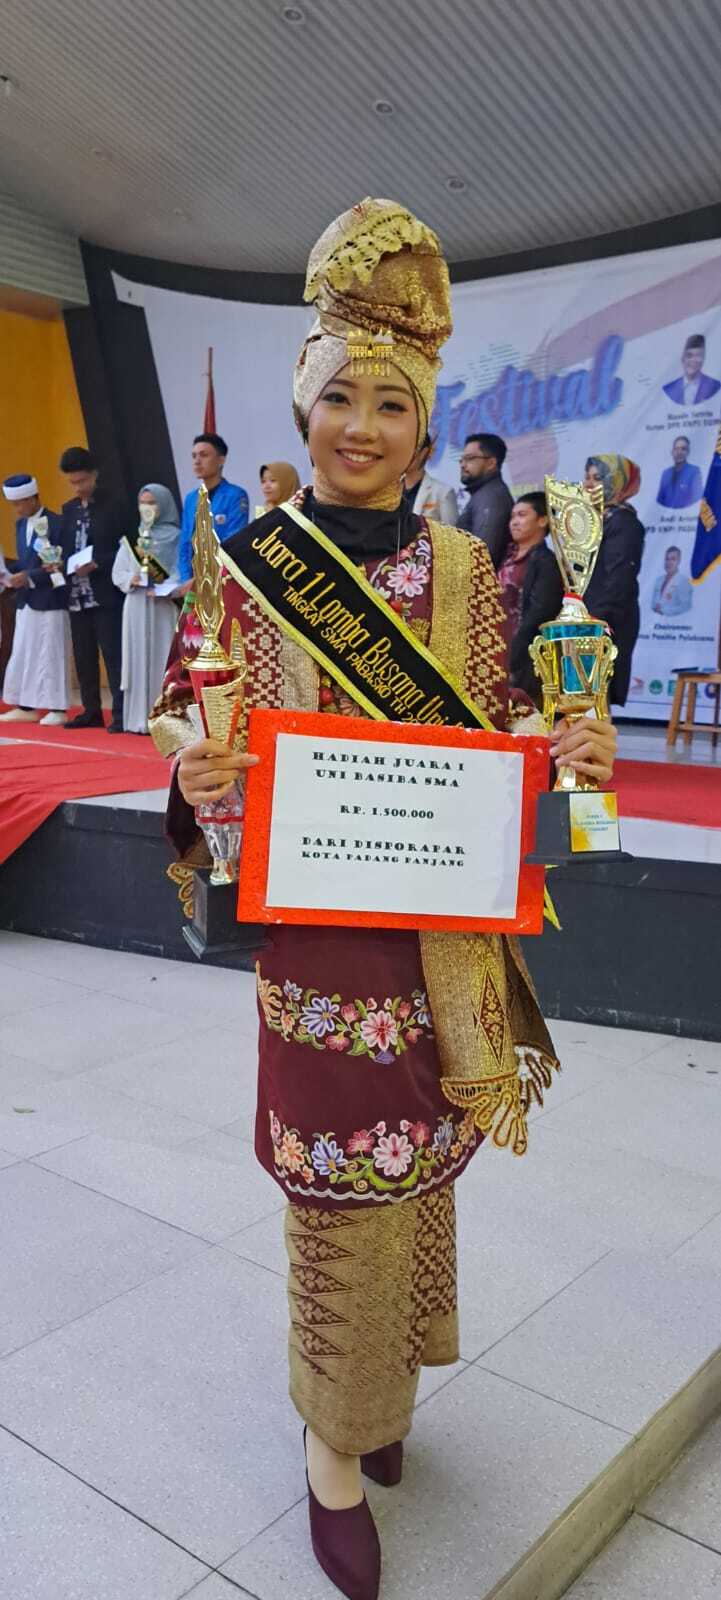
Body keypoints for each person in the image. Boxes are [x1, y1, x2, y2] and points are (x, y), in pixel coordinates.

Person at [150, 197, 617, 1600]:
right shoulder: (244, 571)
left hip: (437, 942)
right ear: (305, 406)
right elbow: (183, 716)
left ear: (426, 430)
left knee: (416, 1170)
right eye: (340, 397)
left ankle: (384, 1391)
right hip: (316, 948)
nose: (361, 426)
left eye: (392, 404)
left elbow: (502, 749)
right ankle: (334, 1449)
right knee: (337, 1182)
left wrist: (569, 763)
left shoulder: (470, 572)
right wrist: (198, 764)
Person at [57, 447, 125, 732]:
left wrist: (99, 563)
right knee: (84, 656)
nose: (78, 487)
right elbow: (65, 548)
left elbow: (126, 548)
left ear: (94, 475)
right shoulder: (69, 509)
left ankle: (121, 712)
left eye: (83, 481)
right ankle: (91, 710)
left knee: (113, 654)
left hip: (104, 592)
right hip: (77, 594)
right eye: (73, 482)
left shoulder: (114, 505)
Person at [0, 473, 70, 725]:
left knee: (51, 652)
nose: (17, 509)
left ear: (32, 498)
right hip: (27, 599)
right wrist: (8, 572)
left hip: (51, 598)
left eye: (19, 504)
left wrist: (29, 576)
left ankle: (57, 707)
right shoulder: (21, 525)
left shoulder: (57, 523)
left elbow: (59, 563)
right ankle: (26, 705)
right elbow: (26, 561)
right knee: (24, 652)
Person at [111, 483, 181, 733]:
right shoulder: (133, 539)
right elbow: (118, 572)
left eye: (152, 503)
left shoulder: (177, 537)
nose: (147, 508)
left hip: (162, 605)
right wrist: (131, 579)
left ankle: (163, 718)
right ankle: (137, 719)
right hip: (137, 605)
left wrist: (166, 586)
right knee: (137, 658)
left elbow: (181, 571)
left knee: (163, 657)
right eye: (143, 503)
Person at [583, 454, 646, 706]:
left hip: (606, 618)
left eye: (598, 478)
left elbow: (618, 581)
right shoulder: (596, 520)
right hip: (588, 615)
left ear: (617, 482)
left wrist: (593, 620)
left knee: (597, 695)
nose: (588, 484)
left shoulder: (624, 523)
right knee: (582, 696)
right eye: (587, 477)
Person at [500, 492, 564, 701]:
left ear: (542, 520)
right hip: (495, 647)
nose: (514, 522)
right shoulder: (505, 555)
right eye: (512, 517)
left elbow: (539, 614)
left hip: (523, 657)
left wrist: (514, 655)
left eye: (522, 515)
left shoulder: (547, 563)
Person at [177, 433, 249, 584]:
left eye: (204, 455)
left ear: (221, 460)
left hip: (222, 578)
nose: (197, 461)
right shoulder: (191, 498)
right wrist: (186, 579)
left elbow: (232, 542)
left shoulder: (235, 495)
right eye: (194, 456)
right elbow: (184, 543)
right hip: (192, 580)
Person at [455, 431, 513, 566]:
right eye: (461, 460)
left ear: (491, 463)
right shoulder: (483, 493)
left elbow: (484, 555)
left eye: (470, 458)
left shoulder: (492, 497)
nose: (463, 465)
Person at [402, 432, 458, 523]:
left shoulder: (443, 492)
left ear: (424, 452)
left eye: (409, 450)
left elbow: (451, 529)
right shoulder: (389, 488)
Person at [663, 334, 720, 406]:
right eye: (689, 355)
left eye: (698, 355)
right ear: (682, 358)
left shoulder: (715, 387)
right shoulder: (669, 389)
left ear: (704, 358)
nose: (693, 360)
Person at [656, 436, 703, 509]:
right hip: (665, 513)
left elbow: (697, 499)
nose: (679, 452)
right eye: (676, 449)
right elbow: (660, 500)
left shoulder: (694, 472)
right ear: (672, 452)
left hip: (685, 514)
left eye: (683, 449)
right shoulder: (666, 473)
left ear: (688, 452)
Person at [652, 545, 693, 617]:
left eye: (673, 559)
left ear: (679, 561)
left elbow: (686, 606)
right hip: (654, 620)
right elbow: (653, 604)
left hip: (673, 622)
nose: (669, 562)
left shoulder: (683, 581)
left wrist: (664, 611)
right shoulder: (658, 580)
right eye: (667, 559)